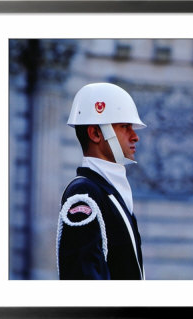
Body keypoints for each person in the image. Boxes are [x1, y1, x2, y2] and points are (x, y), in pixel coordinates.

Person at [56, 83, 146, 280]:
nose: (135, 136)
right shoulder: (84, 194)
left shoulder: (108, 192)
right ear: (96, 134)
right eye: (124, 126)